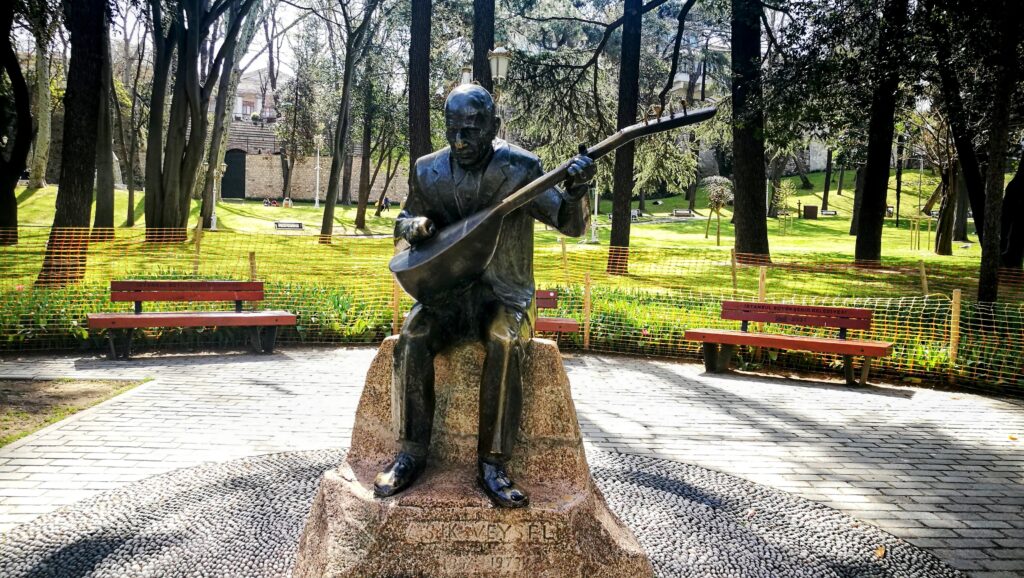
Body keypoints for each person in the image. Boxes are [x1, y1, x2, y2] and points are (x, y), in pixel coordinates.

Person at [374, 84, 595, 508]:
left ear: (494, 126)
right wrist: (414, 225)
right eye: (453, 130)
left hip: (504, 294)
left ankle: (493, 463)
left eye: (472, 131)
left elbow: (569, 225)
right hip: (447, 294)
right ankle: (410, 454)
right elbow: (402, 219)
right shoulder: (427, 170)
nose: (460, 141)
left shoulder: (520, 167)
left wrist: (577, 191)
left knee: (503, 340)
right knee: (413, 336)